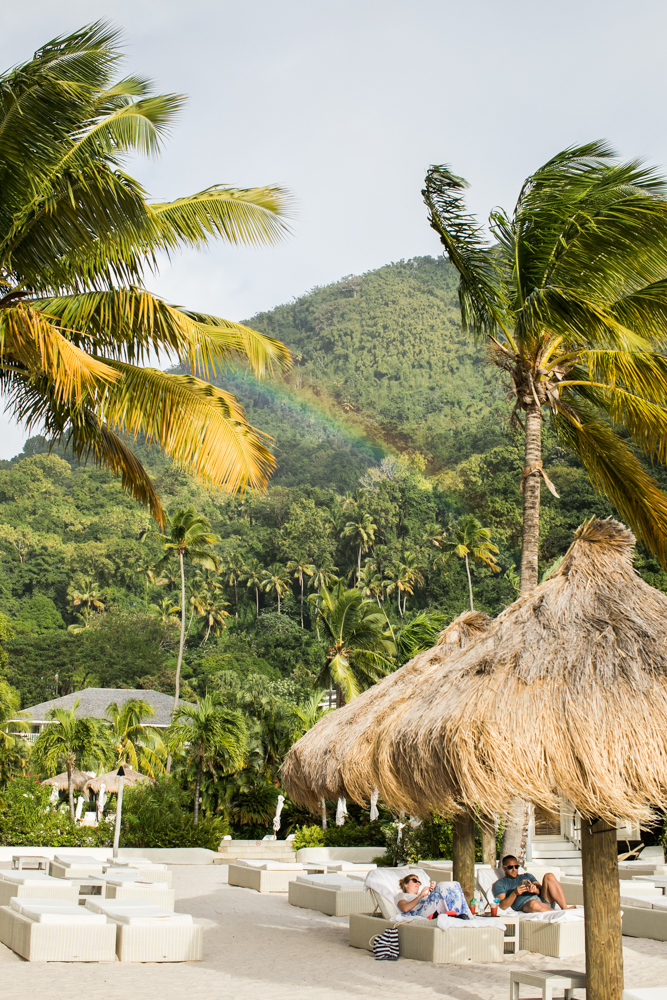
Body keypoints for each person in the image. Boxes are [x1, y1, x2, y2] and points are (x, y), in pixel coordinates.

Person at [492, 855, 574, 912]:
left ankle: (564, 909)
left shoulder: (527, 876)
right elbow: (502, 906)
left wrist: (536, 890)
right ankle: (556, 913)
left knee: (549, 876)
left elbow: (542, 889)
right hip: (527, 905)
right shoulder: (500, 883)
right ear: (503, 868)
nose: (514, 869)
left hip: (543, 900)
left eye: (516, 867)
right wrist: (514, 893)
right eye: (510, 867)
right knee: (533, 903)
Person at [395, 873, 472, 918]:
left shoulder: (422, 894)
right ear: (405, 884)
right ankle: (458, 916)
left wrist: (434, 892)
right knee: (442, 885)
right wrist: (420, 896)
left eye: (419, 882)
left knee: (455, 884)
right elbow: (405, 908)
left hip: (431, 909)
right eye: (415, 881)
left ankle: (464, 915)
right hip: (420, 914)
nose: (418, 883)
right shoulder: (402, 895)